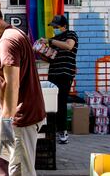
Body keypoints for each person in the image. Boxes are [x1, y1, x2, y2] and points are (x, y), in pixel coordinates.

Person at [0, 1, 46, 176]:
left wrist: (6, 121)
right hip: (24, 114)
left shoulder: (7, 42)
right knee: (16, 168)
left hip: (21, 117)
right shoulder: (14, 33)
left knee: (22, 170)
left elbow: (13, 83)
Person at [39, 15, 78, 144]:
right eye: (53, 27)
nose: (54, 29)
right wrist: (41, 51)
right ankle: (52, 130)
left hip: (65, 73)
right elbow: (50, 58)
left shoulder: (71, 35)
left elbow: (69, 46)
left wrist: (50, 42)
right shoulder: (54, 39)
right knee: (51, 104)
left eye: (56, 27)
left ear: (64, 26)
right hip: (53, 73)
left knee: (61, 102)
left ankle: (62, 131)